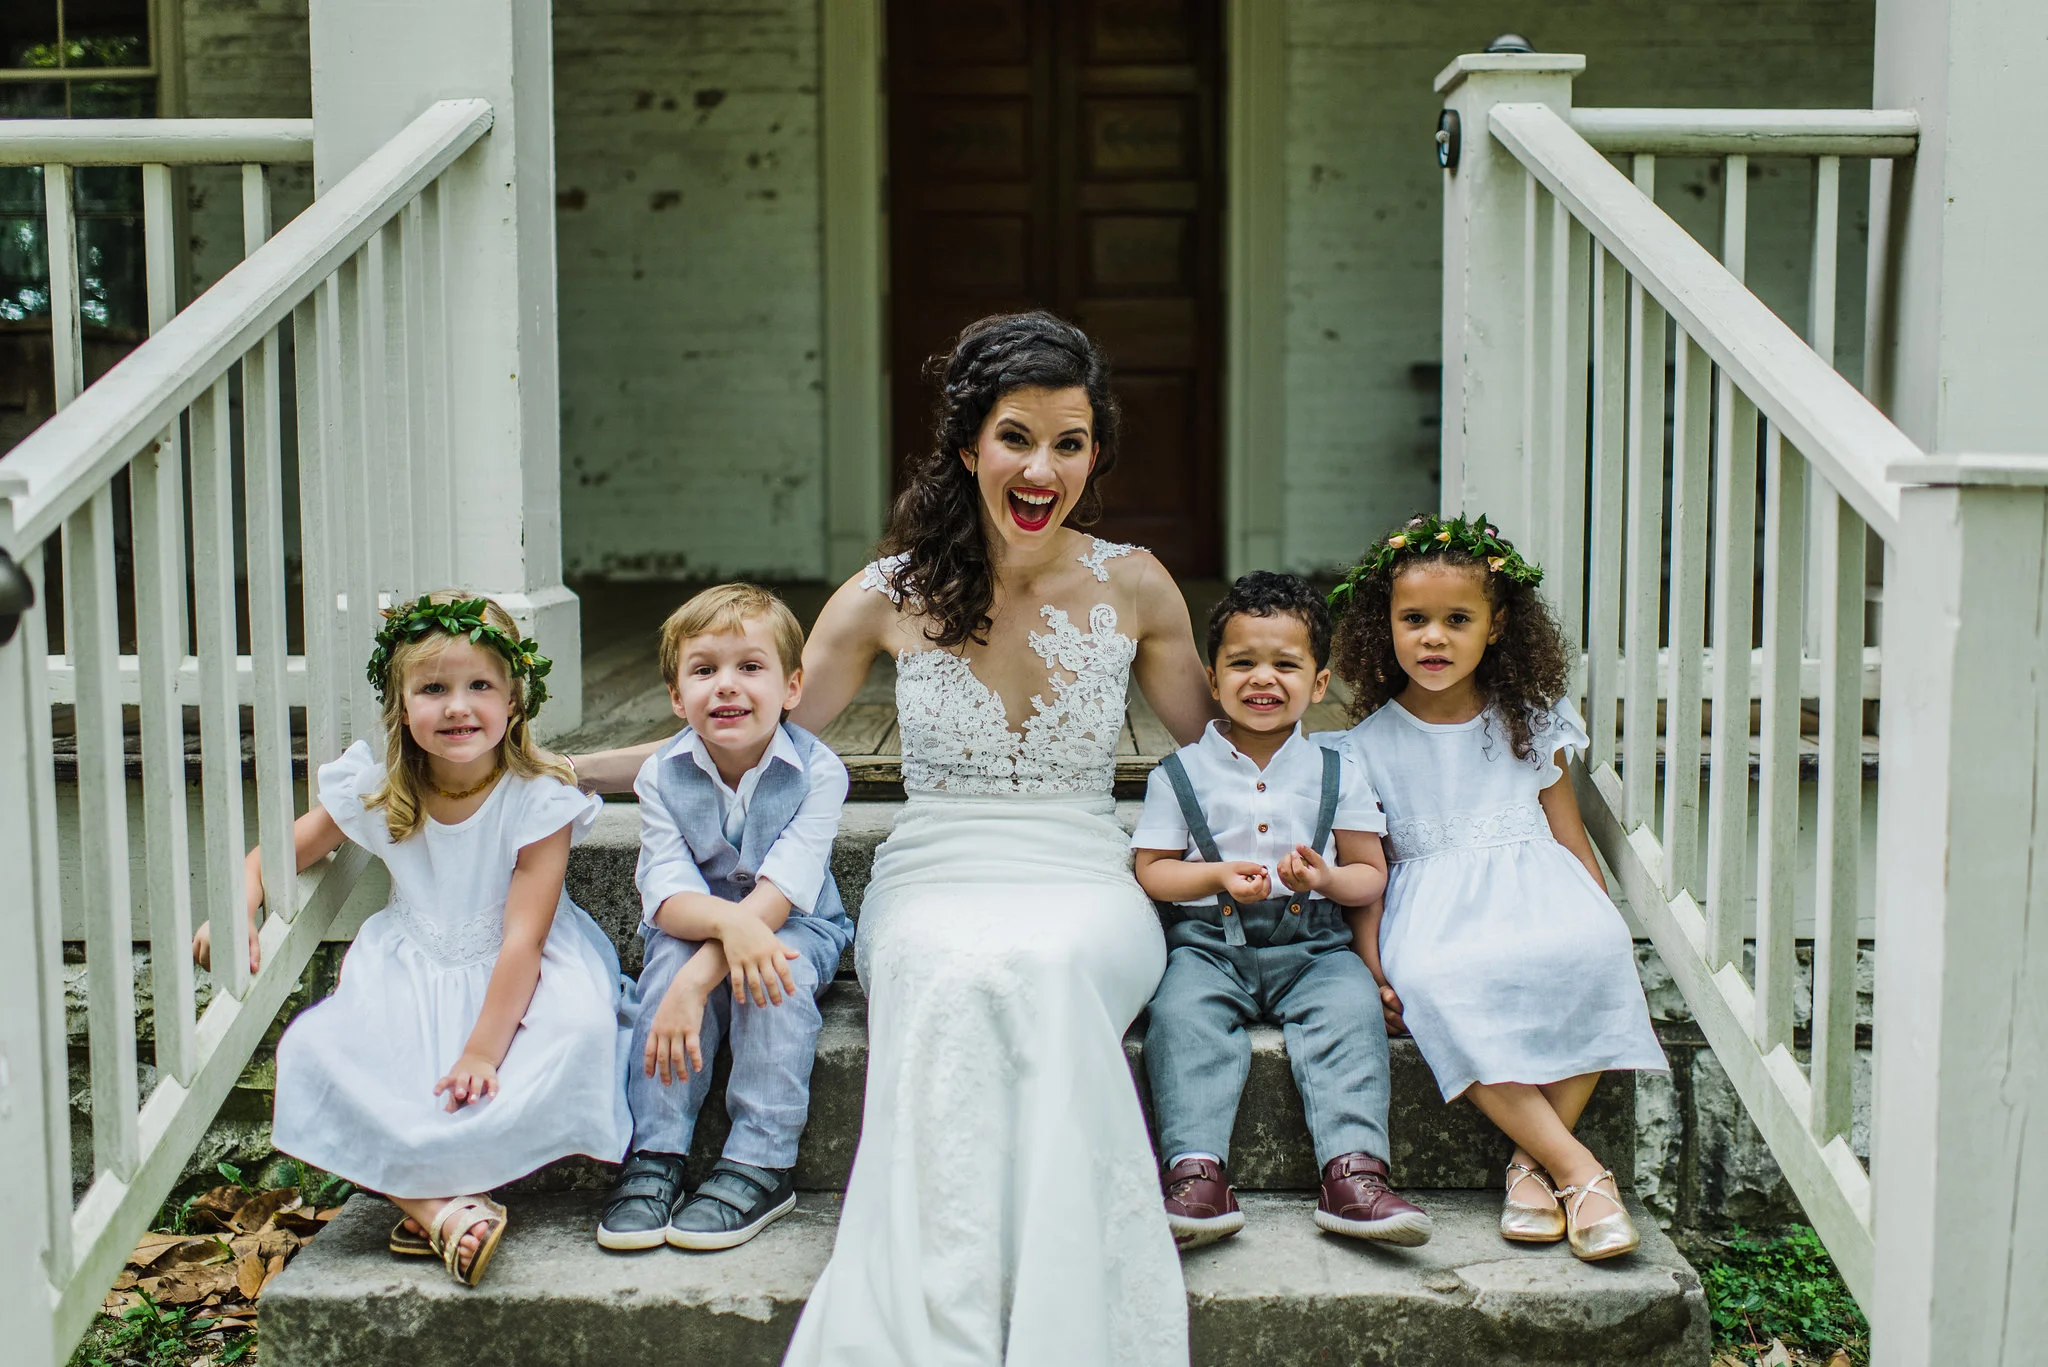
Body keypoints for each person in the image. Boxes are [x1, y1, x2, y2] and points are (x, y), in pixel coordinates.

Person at [569, 312, 1213, 1365]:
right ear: (968, 447)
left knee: (1047, 965)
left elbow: (1222, 745)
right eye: (1015, 436)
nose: (1040, 465)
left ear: (1095, 453)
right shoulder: (886, 593)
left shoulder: (1135, 583)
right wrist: (562, 769)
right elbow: (743, 726)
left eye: (1068, 441)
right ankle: (939, 1308)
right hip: (933, 868)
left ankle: (1062, 1305)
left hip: (1081, 868)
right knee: (953, 970)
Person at [195, 591, 630, 1286]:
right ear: (401, 705)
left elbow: (523, 937)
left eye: (479, 685)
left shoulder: (538, 797)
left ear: (514, 701)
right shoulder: (381, 787)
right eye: (433, 688)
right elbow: (276, 855)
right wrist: (237, 910)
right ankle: (442, 1210)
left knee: (577, 1032)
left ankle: (429, 1200)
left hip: (518, 964)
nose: (457, 705)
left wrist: (484, 1050)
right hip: (411, 963)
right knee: (311, 1048)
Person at [1327, 514, 1666, 1262]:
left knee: (1595, 947)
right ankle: (1579, 1169)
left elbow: (1569, 833)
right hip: (1428, 903)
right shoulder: (1363, 746)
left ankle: (1531, 1167)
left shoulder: (1529, 722)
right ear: (1385, 625)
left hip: (1532, 875)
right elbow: (1370, 869)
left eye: (1458, 619)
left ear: (1497, 623)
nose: (1434, 638)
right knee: (1440, 977)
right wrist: (1372, 960)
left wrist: (1598, 909)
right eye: (1414, 619)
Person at [1133, 571, 1430, 1251]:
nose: (1262, 679)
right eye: (1242, 662)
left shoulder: (1337, 772)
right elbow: (1152, 871)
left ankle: (1355, 1173)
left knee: (1352, 1012)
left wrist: (1325, 874)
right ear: (1212, 678)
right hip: (1209, 946)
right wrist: (1212, 874)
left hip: (1315, 948)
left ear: (1319, 683)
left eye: (1285, 664)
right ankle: (1196, 1171)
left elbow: (1368, 875)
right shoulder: (1179, 774)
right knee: (1181, 1016)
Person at [596, 584, 852, 1254]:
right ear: (678, 699)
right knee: (666, 968)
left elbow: (782, 894)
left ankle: (761, 1161)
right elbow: (668, 895)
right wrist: (698, 963)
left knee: (775, 971)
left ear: (792, 687)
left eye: (750, 667)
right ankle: (656, 1150)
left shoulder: (822, 773)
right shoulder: (659, 773)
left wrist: (698, 981)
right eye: (705, 669)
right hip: (695, 922)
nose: (727, 686)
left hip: (798, 924)